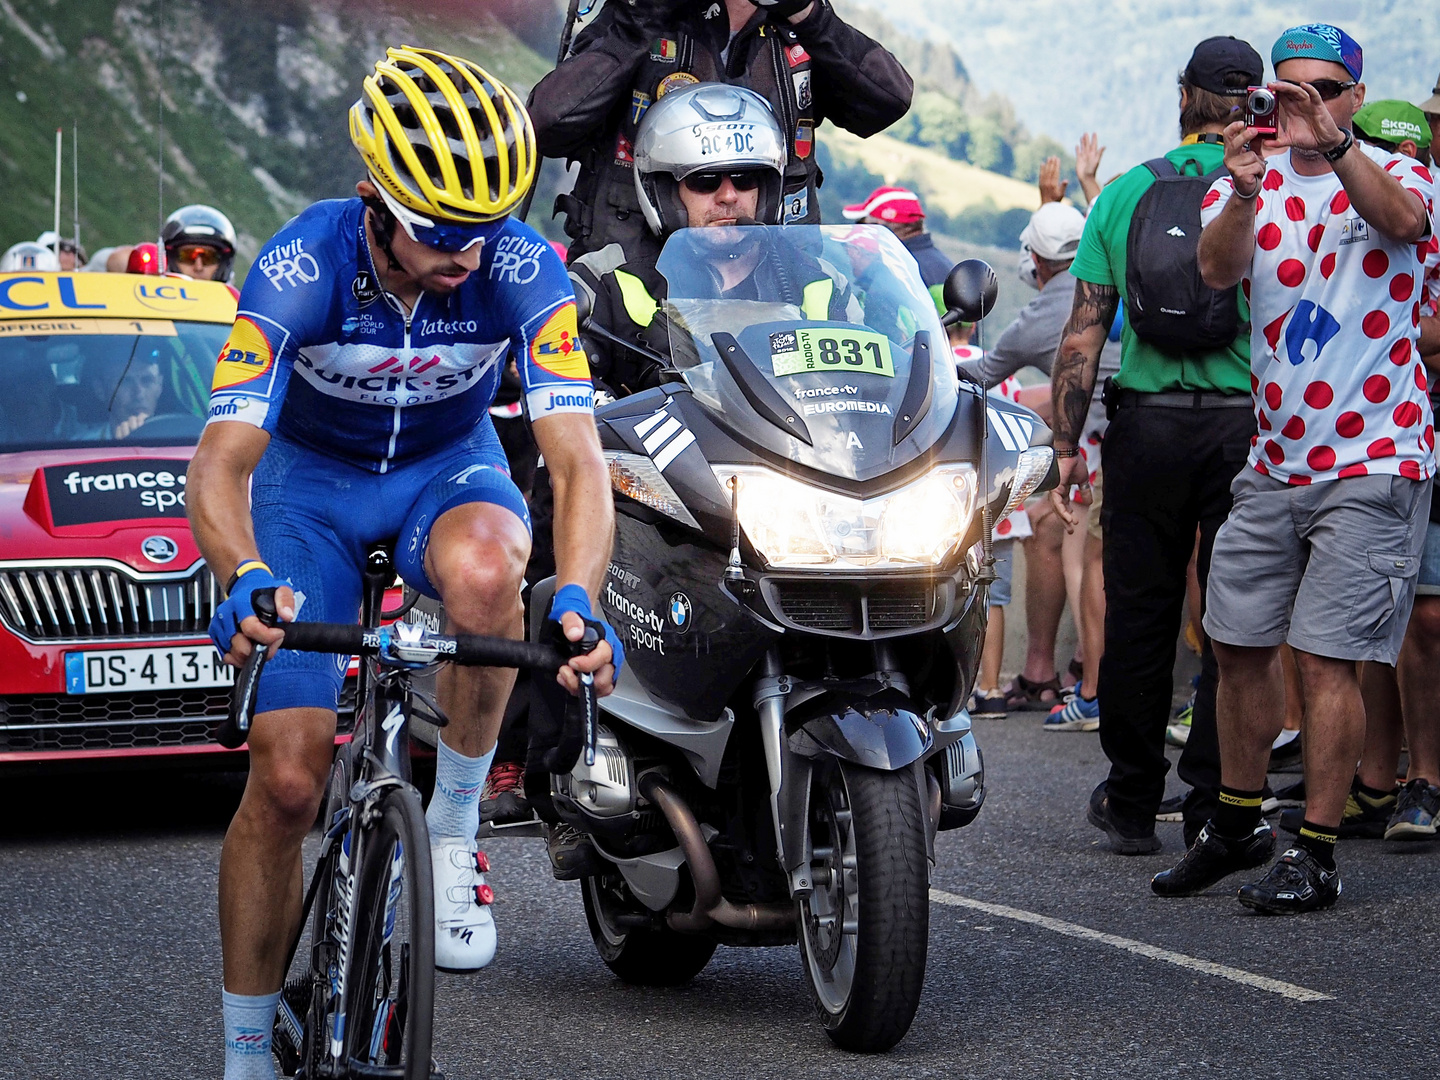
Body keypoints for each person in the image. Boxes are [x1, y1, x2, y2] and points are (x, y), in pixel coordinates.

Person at [186, 47, 621, 1079]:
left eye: (484, 232)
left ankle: (454, 826)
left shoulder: (521, 270)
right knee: (289, 783)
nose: (467, 258)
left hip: (444, 471)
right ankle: (248, 1053)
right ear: (375, 199)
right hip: (311, 492)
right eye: (439, 236)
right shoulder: (301, 264)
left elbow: (578, 460)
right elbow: (221, 462)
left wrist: (582, 597)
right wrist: (242, 569)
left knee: (487, 573)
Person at [1154, 24, 1435, 913]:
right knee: (1235, 642)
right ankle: (1236, 826)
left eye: (1322, 87)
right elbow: (1214, 272)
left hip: (1375, 453)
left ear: (1354, 94)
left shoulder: (1407, 173)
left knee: (1325, 658)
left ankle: (1313, 848)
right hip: (1274, 459)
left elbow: (1405, 224)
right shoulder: (1246, 182)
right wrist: (1240, 190)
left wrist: (1338, 146)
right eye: (1287, 86)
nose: (1300, 100)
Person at [1049, 35, 1264, 855]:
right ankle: (1214, 796)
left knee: (1141, 610)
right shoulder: (1269, 188)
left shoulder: (1127, 191)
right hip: (1244, 421)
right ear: (1254, 105)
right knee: (1235, 616)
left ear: (1185, 98)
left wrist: (1065, 448)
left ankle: (1133, 799)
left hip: (1146, 421)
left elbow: (1084, 332)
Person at [529, 0, 912, 261]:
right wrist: (639, 24)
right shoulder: (636, 19)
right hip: (631, 293)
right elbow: (547, 126)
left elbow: (890, 100)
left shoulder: (802, 33)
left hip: (774, 286)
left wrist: (811, 16)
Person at [842, 185, 953, 314]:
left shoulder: (893, 270)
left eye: (862, 224)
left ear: (879, 227)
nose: (859, 232)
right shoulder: (946, 266)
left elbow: (881, 327)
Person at [162, 204, 237, 282]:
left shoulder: (236, 294)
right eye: (187, 256)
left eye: (209, 258)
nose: (198, 267)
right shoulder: (148, 292)